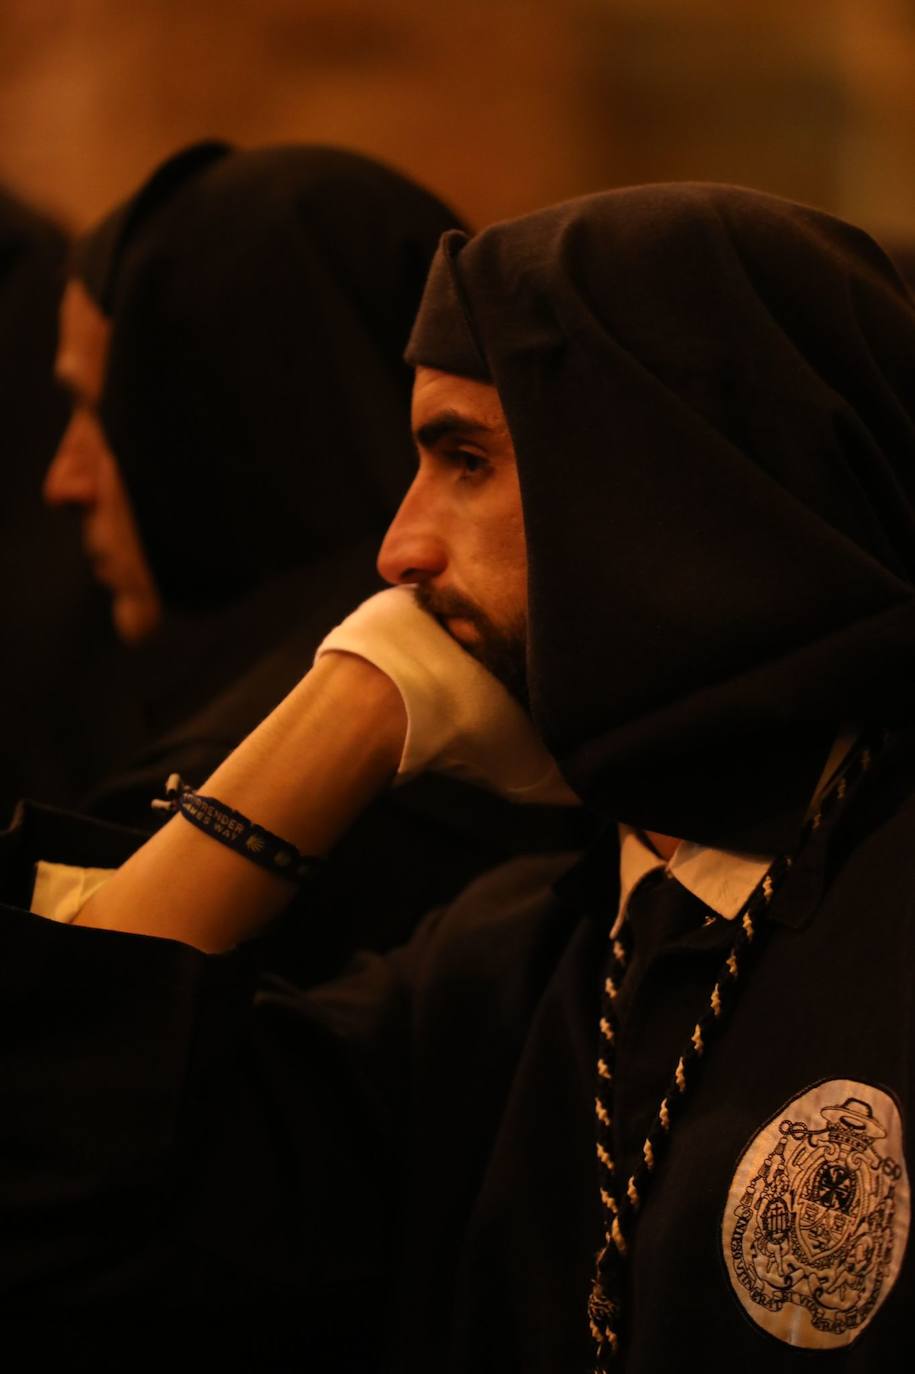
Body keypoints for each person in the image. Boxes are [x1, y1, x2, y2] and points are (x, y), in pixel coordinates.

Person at [2, 183, 914, 1371]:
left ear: (672, 492)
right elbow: (46, 1187)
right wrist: (345, 714)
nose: (399, 549)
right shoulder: (512, 964)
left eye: (468, 460)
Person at [37, 141, 585, 971]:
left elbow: (70, 1062)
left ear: (216, 417)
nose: (63, 479)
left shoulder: (399, 797)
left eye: (102, 409)